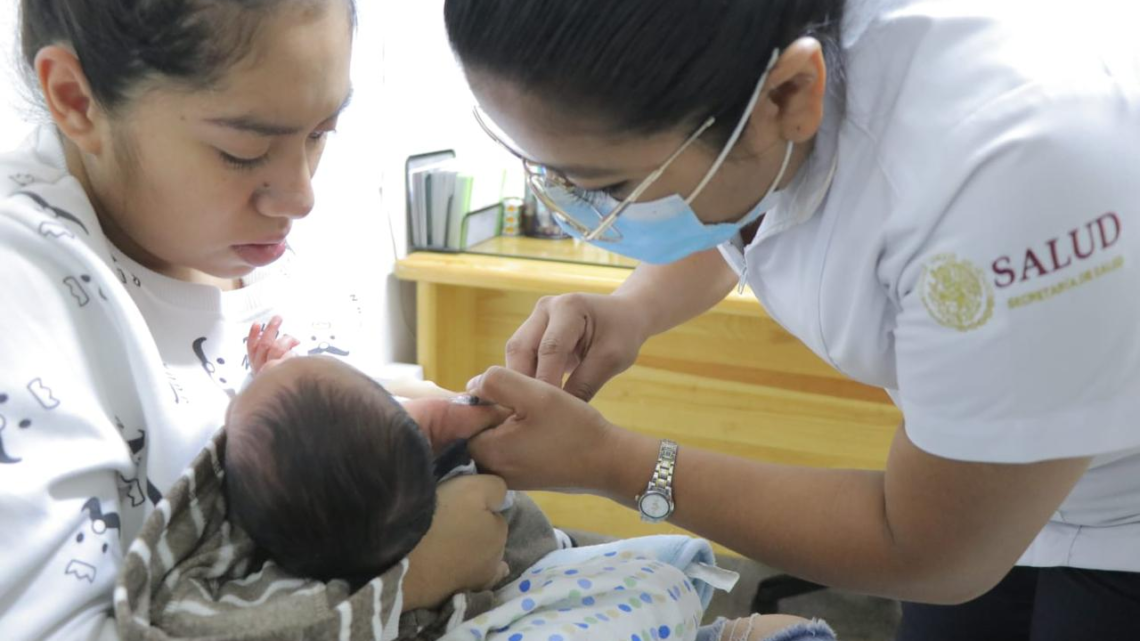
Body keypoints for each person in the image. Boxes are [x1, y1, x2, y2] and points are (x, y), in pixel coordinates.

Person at [444, 0, 1140, 639]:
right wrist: (632, 309)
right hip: (990, 478)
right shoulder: (750, 75)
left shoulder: (1011, 170)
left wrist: (612, 461)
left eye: (609, 187)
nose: (575, 208)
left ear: (788, 94)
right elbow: (753, 199)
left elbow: (930, 546)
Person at [0, 2, 511, 639]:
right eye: (243, 151)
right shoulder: (22, 295)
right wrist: (415, 576)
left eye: (321, 132)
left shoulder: (245, 232)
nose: (302, 197)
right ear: (76, 100)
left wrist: (419, 417)